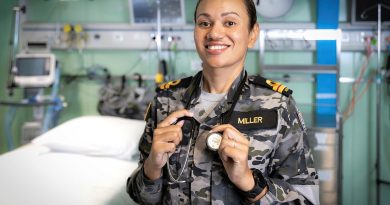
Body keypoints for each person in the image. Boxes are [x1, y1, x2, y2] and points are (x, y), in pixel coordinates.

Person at [126, 0, 319, 204]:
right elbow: (141, 197)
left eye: (229, 23)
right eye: (204, 23)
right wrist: (152, 167)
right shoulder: (165, 102)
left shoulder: (277, 106)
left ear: (252, 34)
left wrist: (249, 182)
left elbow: (306, 200)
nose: (214, 33)